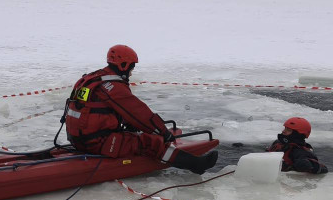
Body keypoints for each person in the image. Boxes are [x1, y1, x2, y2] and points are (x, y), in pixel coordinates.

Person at [63, 45, 218, 174]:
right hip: (98, 143)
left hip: (78, 139)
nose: (131, 72)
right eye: (131, 67)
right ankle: (196, 165)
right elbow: (138, 113)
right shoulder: (113, 86)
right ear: (124, 66)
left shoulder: (92, 79)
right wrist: (162, 132)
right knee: (148, 142)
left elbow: (102, 111)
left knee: (135, 132)